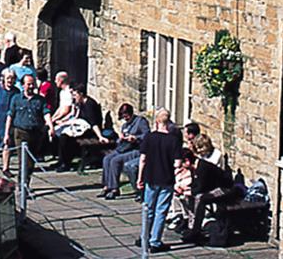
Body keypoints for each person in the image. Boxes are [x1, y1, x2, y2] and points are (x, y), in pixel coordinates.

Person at [136, 109, 183, 252]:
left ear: (156, 121)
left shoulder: (149, 137)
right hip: (166, 178)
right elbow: (177, 163)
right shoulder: (173, 140)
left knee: (148, 209)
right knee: (161, 210)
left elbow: (142, 160)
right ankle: (155, 241)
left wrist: (140, 178)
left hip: (151, 177)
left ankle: (144, 237)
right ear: (168, 122)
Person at [181, 135, 236, 244]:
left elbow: (201, 187)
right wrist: (187, 189)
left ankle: (196, 231)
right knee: (192, 197)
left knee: (200, 198)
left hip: (225, 189)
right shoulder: (195, 167)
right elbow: (196, 184)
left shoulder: (202, 168)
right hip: (212, 188)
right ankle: (191, 226)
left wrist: (189, 191)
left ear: (187, 161)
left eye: (182, 163)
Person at [3, 74, 52, 180]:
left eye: (32, 84)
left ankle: (26, 181)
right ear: (23, 85)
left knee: (31, 162)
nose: (31, 86)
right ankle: (22, 185)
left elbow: (46, 113)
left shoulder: (40, 100)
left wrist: (50, 126)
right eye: (28, 84)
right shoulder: (16, 99)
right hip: (21, 132)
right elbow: (10, 116)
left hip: (35, 133)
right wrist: (6, 134)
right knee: (23, 160)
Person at [99, 103, 150, 199]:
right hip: (124, 148)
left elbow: (147, 135)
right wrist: (121, 138)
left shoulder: (140, 122)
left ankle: (114, 188)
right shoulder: (125, 125)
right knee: (106, 159)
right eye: (123, 117)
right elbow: (119, 141)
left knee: (115, 161)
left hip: (136, 149)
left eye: (126, 116)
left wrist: (135, 138)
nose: (125, 119)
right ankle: (106, 186)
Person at [54, 83, 105, 171]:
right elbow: (75, 116)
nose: (74, 97)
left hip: (89, 130)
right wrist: (63, 122)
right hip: (80, 127)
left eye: (75, 95)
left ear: (81, 94)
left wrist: (100, 136)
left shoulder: (89, 105)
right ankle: (62, 160)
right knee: (61, 133)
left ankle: (66, 163)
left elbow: (93, 123)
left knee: (65, 138)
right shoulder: (80, 103)